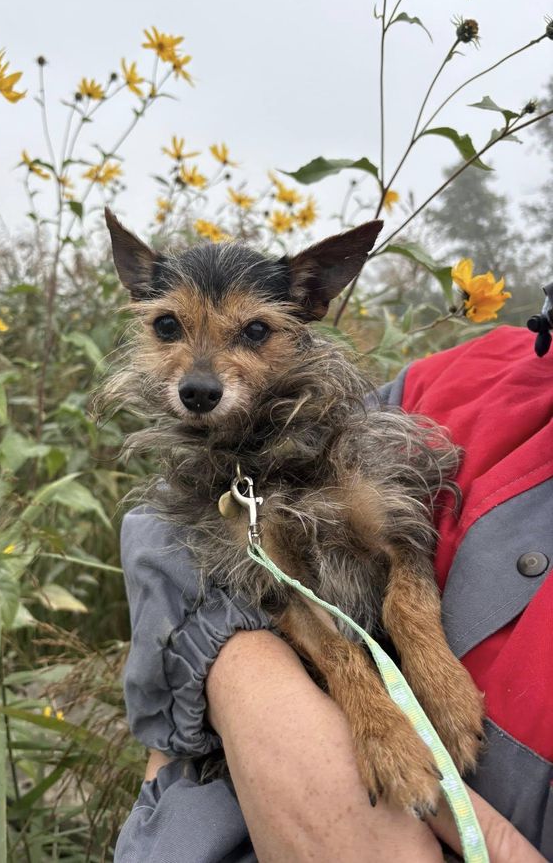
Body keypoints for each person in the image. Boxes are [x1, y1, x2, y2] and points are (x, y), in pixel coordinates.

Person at [114, 325, 553, 862]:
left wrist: (419, 639)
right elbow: (169, 517)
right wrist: (255, 696)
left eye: (252, 332)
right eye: (167, 328)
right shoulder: (458, 377)